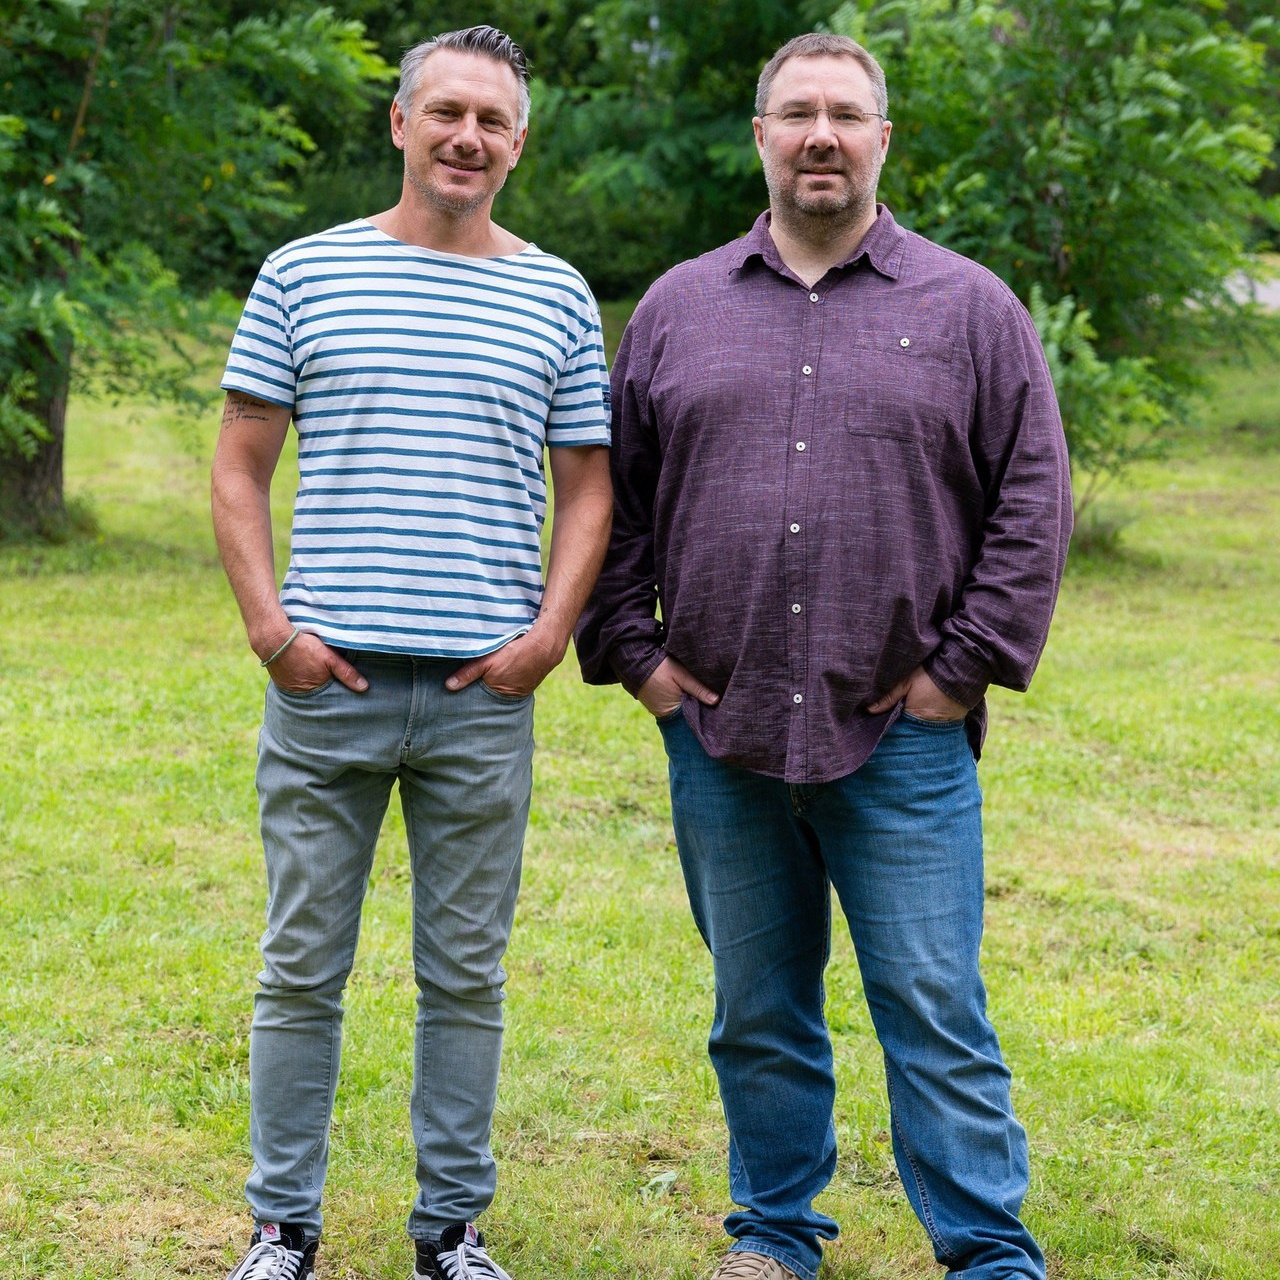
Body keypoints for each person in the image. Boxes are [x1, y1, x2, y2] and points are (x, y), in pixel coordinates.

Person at [575, 31, 1072, 1280]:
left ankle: (987, 1252)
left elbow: (1031, 503)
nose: (819, 135)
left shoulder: (968, 309)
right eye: (795, 112)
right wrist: (634, 658)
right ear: (760, 134)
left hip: (897, 733)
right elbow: (611, 507)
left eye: (844, 115)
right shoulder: (678, 309)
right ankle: (774, 1235)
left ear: (881, 139)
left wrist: (958, 672)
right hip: (721, 733)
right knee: (756, 1011)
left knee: (931, 1008)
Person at [211, 25, 612, 1280]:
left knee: (466, 976)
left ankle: (451, 1230)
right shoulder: (302, 273)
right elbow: (236, 461)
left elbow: (589, 486)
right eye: (445, 112)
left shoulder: (555, 292)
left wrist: (546, 637)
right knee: (299, 967)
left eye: (491, 122)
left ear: (518, 145)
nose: (467, 138)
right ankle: (283, 1227)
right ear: (399, 124)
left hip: (479, 698)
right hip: (327, 689)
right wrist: (272, 631)